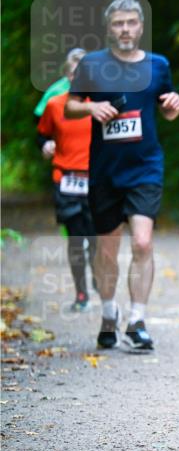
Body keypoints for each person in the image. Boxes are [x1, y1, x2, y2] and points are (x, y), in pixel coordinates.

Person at [65, 0, 179, 350]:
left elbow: (167, 105)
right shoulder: (92, 64)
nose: (126, 29)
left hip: (145, 166)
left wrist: (174, 106)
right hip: (105, 171)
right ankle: (108, 313)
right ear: (109, 27)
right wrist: (91, 106)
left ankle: (137, 321)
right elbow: (70, 106)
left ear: (141, 27)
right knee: (106, 250)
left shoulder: (158, 65)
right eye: (119, 23)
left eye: (132, 22)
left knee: (143, 242)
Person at [36, 48, 96, 311]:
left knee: (96, 238)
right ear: (66, 75)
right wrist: (46, 144)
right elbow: (42, 134)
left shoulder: (101, 104)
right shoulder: (54, 104)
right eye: (74, 73)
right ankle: (81, 294)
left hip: (97, 180)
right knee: (75, 239)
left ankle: (98, 277)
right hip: (66, 179)